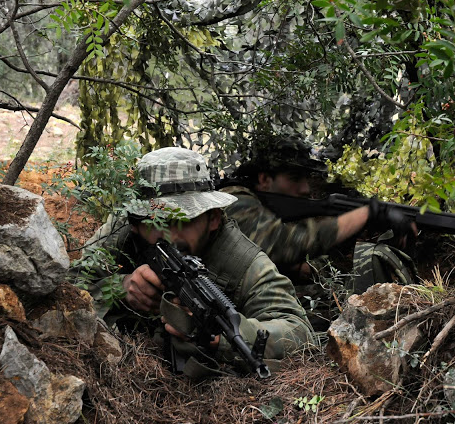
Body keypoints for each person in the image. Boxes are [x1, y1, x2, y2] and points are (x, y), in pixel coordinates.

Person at [75, 147, 316, 377]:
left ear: (213, 218)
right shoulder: (124, 231)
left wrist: (221, 338)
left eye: (182, 220)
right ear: (136, 222)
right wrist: (121, 287)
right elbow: (68, 283)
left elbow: (299, 332)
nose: (167, 234)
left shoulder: (244, 263)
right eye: (155, 220)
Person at [220, 133, 417, 284]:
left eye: (306, 179)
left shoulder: (264, 207)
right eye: (295, 179)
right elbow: (282, 243)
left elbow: (300, 270)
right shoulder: (233, 200)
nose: (305, 189)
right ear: (264, 180)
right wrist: (369, 213)